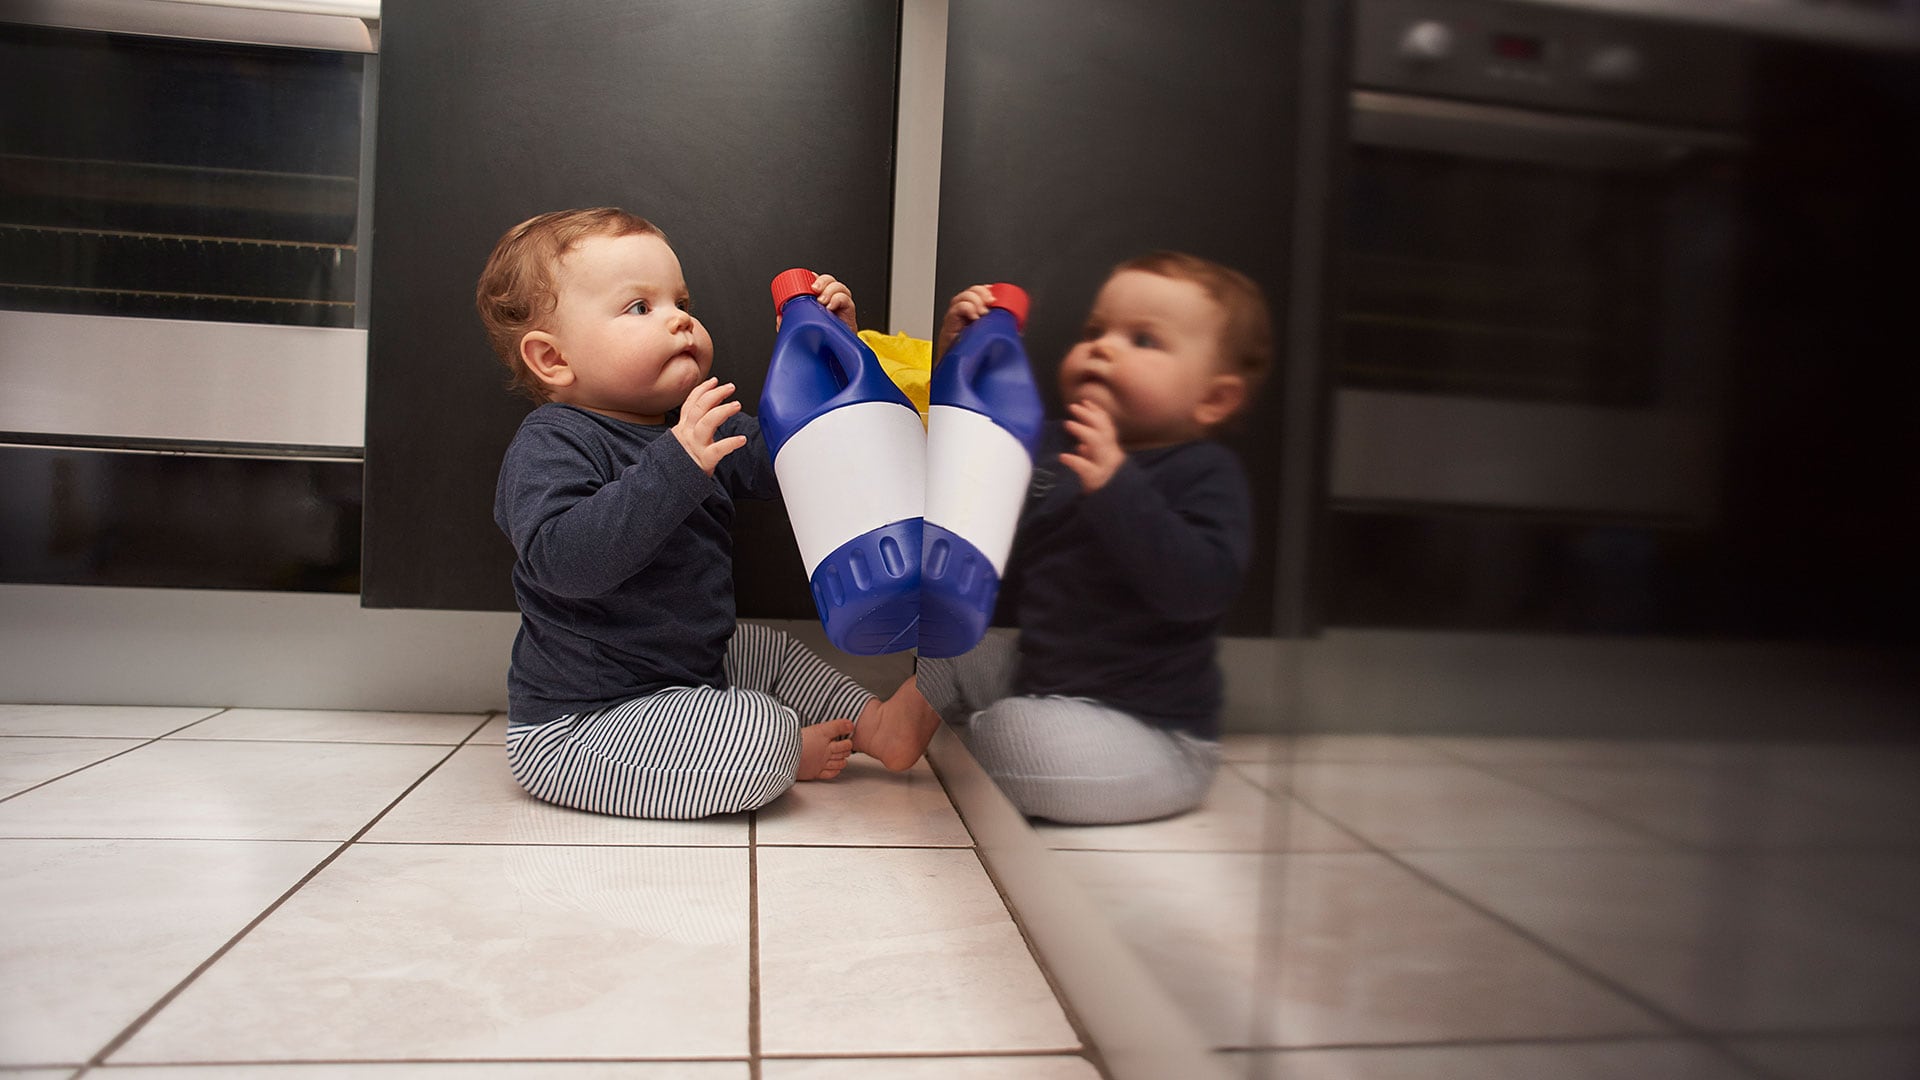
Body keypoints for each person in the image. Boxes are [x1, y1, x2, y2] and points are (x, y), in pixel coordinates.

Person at [478, 207, 939, 820]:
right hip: (584, 724)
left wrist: (837, 356)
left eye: (681, 301)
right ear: (554, 359)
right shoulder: (552, 443)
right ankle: (782, 753)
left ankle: (878, 725)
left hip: (688, 673)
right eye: (640, 308)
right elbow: (566, 562)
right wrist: (676, 461)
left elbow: (802, 460)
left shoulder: (695, 428)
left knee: (766, 651)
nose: (680, 320)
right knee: (759, 726)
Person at [917, 251, 1267, 825]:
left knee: (1014, 740)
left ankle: (985, 732)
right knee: (941, 637)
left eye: (1144, 340)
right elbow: (971, 458)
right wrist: (961, 359)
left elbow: (1198, 589)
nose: (1103, 347)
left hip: (1147, 730)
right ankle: (911, 723)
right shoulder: (1057, 441)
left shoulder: (1203, 473)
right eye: (1095, 332)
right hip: (1038, 671)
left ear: (1213, 399)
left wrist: (1117, 485)